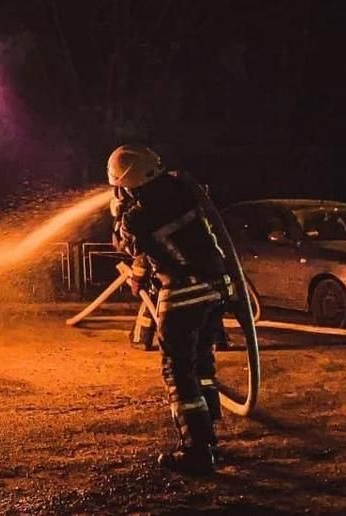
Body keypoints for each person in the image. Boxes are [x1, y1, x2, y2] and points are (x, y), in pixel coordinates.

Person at [108, 144, 233, 475]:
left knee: (178, 372)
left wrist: (117, 212)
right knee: (202, 365)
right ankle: (210, 442)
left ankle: (195, 450)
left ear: (125, 183)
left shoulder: (138, 214)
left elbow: (126, 243)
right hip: (214, 289)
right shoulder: (183, 190)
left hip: (183, 293)